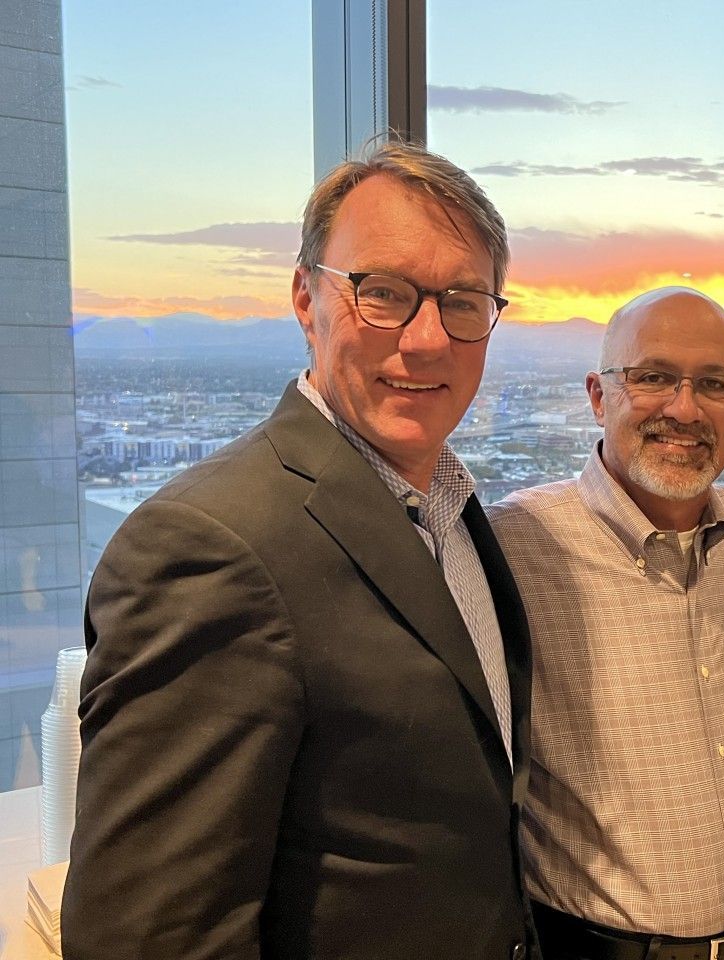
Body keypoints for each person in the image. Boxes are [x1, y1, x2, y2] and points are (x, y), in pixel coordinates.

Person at [62, 141, 534, 960]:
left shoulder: (454, 513)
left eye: (463, 300)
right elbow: (147, 936)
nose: (426, 341)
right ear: (304, 295)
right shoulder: (208, 546)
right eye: (383, 293)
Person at [488, 287, 724, 960]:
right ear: (600, 395)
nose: (684, 410)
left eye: (713, 385)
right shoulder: (515, 543)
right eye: (653, 378)